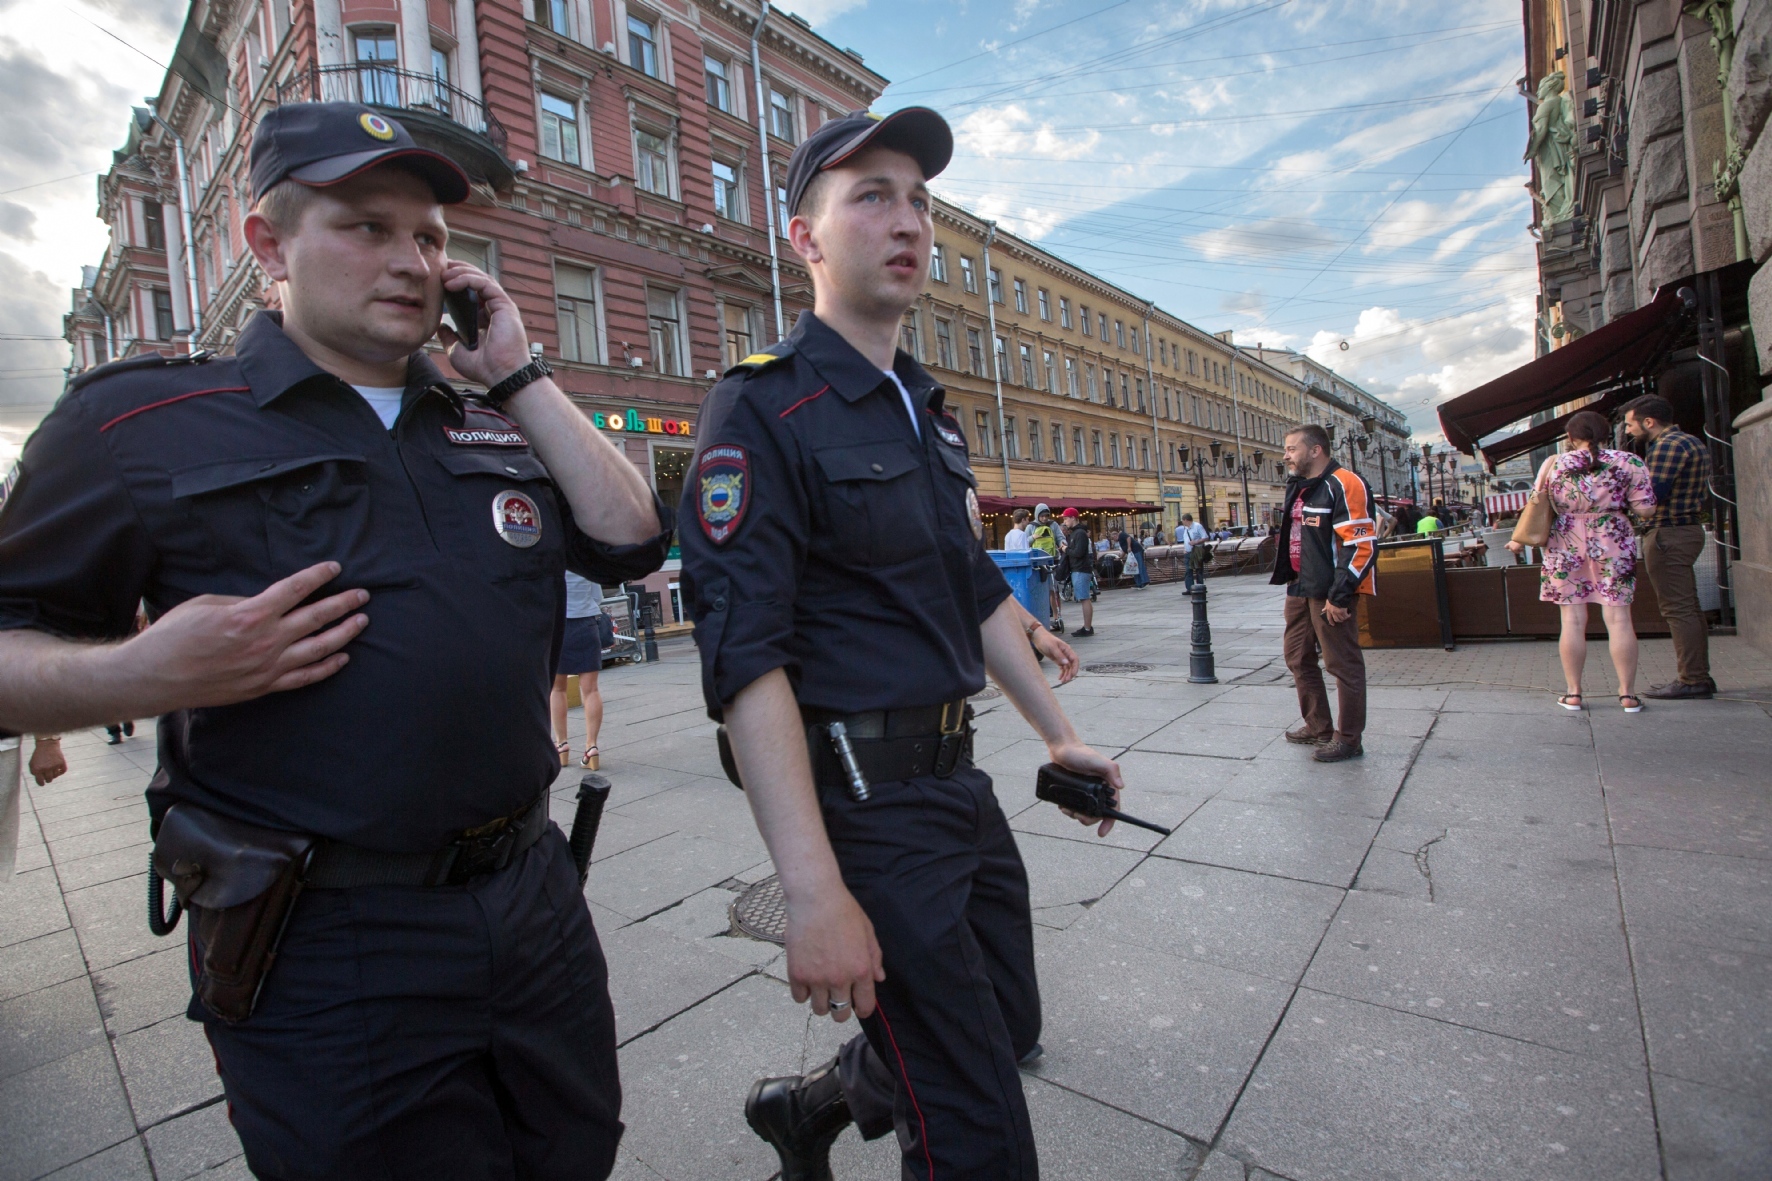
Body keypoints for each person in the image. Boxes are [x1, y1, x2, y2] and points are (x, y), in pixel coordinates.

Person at [0, 102, 673, 1180]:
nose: (410, 259)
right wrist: (139, 671)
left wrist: (517, 373)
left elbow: (632, 540)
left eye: (430, 236)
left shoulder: (484, 414)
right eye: (366, 226)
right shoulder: (139, 425)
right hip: (324, 943)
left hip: (530, 901)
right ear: (268, 244)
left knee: (571, 1154)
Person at [677, 107, 1126, 1181]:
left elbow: (969, 590)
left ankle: (815, 1103)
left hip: (954, 786)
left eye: (918, 199)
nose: (906, 219)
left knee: (1003, 1019)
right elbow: (746, 658)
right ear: (805, 238)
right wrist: (812, 889)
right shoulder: (759, 406)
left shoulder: (926, 408)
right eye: (869, 195)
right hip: (864, 802)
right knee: (975, 1125)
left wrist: (1057, 736)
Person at [1505, 411, 1655, 712]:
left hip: (1565, 543)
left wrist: (1519, 539)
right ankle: (1627, 696)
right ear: (1606, 433)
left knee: (1571, 622)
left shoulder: (1554, 464)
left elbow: (1536, 505)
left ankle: (1573, 694)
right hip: (1613, 540)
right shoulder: (1629, 462)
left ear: (1571, 437)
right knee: (1620, 620)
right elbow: (1646, 510)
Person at [1273, 424, 1376, 762]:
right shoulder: (1299, 486)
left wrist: (1341, 595)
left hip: (1330, 591)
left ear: (1316, 450)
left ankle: (1348, 739)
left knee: (1342, 663)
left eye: (1292, 448)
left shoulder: (1345, 483)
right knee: (1297, 657)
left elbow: (1360, 546)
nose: (1286, 455)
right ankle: (1318, 727)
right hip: (1300, 586)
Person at [1622, 394, 1716, 699]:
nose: (1627, 431)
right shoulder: (1691, 441)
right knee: (1688, 606)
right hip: (1686, 530)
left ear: (1649, 422)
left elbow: (1652, 496)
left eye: (1630, 424)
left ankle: (1692, 679)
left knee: (1678, 608)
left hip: (1668, 534)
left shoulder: (1666, 446)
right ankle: (1697, 675)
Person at [551, 570, 608, 769]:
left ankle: (562, 744)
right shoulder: (585, 563)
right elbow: (597, 596)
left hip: (558, 626)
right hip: (586, 625)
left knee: (558, 688)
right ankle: (591, 746)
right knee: (591, 689)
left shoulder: (553, 560)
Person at [1028, 503, 1063, 633]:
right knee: (1042, 591)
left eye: (1046, 516)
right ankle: (1042, 619)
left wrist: (1062, 544)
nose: (1044, 519)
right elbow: (1024, 541)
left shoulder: (1053, 525)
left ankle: (1057, 617)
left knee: (1054, 590)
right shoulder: (1031, 526)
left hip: (1053, 559)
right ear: (1037, 515)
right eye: (1042, 516)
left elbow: (1060, 537)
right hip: (1038, 563)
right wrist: (1033, 537)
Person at [1063, 507, 1098, 636]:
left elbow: (1078, 552)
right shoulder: (1076, 533)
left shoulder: (1080, 534)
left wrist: (1066, 549)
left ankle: (1087, 628)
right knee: (1083, 598)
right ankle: (1087, 627)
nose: (1065, 521)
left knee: (1084, 598)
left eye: (1066, 518)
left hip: (1081, 569)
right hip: (1078, 569)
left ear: (1073, 518)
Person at [1179, 513, 1208, 592]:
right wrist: (1185, 548)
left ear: (1186, 520)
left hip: (1197, 551)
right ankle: (1190, 589)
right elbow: (1186, 540)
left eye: (1183, 520)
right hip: (1188, 552)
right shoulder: (1186, 528)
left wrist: (1195, 542)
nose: (1182, 522)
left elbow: (1205, 537)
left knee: (1198, 570)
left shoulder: (1197, 526)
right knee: (1188, 570)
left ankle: (1200, 587)